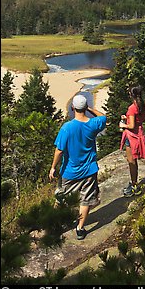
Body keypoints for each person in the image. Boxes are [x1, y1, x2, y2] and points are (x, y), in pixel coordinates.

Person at [49, 94, 106, 240]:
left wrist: (53, 167)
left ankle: (53, 224)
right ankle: (80, 228)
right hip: (89, 170)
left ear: (72, 108)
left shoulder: (67, 127)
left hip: (70, 171)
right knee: (85, 199)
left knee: (61, 198)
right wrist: (90, 109)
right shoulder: (94, 124)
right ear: (85, 108)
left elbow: (59, 150)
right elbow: (103, 117)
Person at [119, 85, 145, 197]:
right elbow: (141, 120)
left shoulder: (132, 108)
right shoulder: (142, 105)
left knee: (131, 161)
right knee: (134, 160)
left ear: (132, 95)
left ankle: (134, 186)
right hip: (139, 134)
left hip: (131, 136)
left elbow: (131, 125)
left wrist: (123, 124)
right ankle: (134, 183)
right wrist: (128, 118)